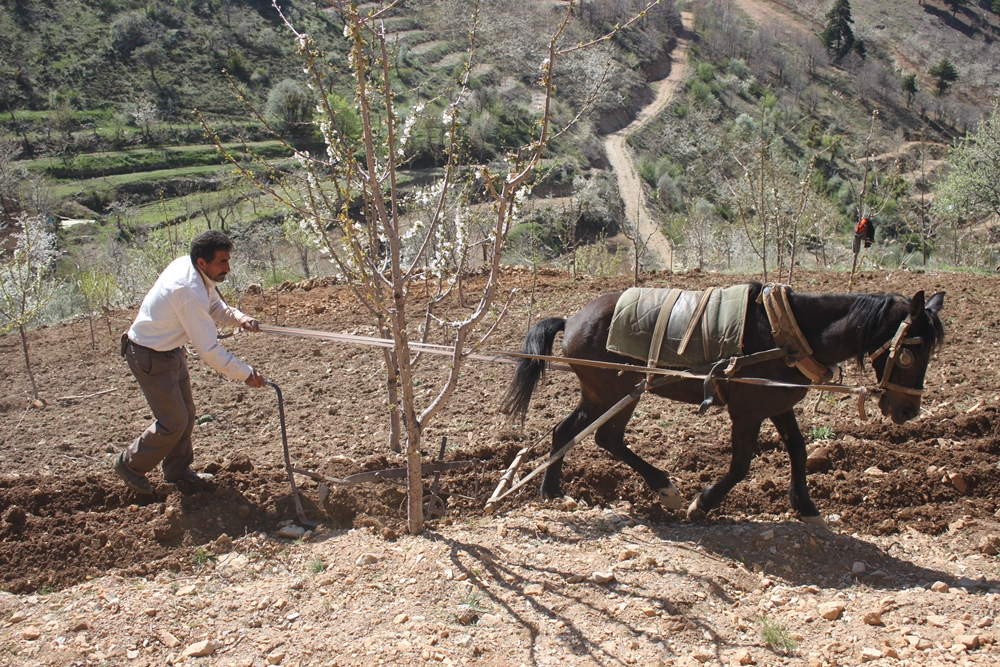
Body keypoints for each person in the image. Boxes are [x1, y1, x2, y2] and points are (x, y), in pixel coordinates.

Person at [115, 230, 267, 495]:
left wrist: (240, 318)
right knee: (173, 420)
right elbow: (208, 350)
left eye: (227, 261)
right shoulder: (186, 289)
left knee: (187, 415)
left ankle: (177, 472)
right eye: (222, 262)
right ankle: (130, 465)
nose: (227, 268)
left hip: (170, 350)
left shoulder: (195, 273)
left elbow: (215, 306)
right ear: (202, 262)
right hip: (148, 354)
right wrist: (246, 374)